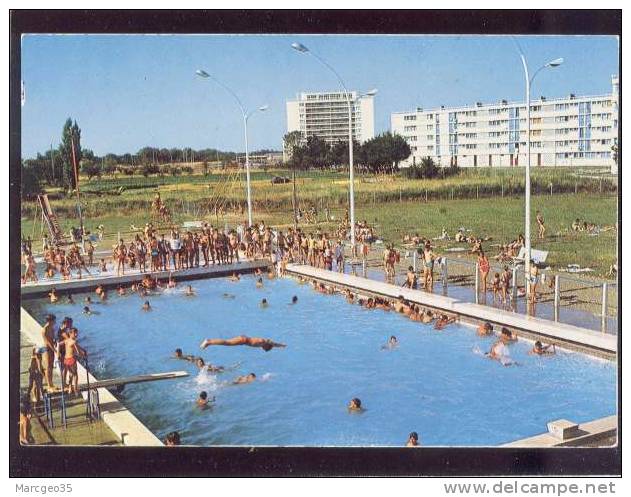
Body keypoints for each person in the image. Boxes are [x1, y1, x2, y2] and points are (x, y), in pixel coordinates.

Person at [63, 327, 86, 395]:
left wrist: (83, 350)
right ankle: (75, 389)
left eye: (77, 333)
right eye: (75, 333)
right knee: (75, 375)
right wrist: (83, 356)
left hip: (66, 359)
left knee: (70, 374)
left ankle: (70, 388)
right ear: (70, 333)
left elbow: (77, 346)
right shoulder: (73, 341)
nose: (76, 334)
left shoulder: (67, 340)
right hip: (71, 359)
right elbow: (78, 352)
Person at [200, 335, 286, 352]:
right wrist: (281, 345)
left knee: (227, 343)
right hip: (243, 340)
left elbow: (273, 344)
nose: (263, 349)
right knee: (227, 343)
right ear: (267, 346)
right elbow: (272, 343)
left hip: (243, 340)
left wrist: (280, 346)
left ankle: (209, 342)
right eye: (266, 349)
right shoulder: (263, 342)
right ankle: (209, 342)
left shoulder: (263, 343)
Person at [41, 314, 57, 392]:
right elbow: (47, 342)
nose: (55, 322)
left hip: (51, 349)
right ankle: (48, 385)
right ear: (50, 321)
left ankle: (51, 383)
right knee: (48, 367)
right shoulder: (44, 329)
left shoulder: (52, 328)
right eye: (54, 320)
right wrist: (54, 350)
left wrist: (55, 342)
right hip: (47, 349)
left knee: (51, 366)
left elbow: (53, 339)